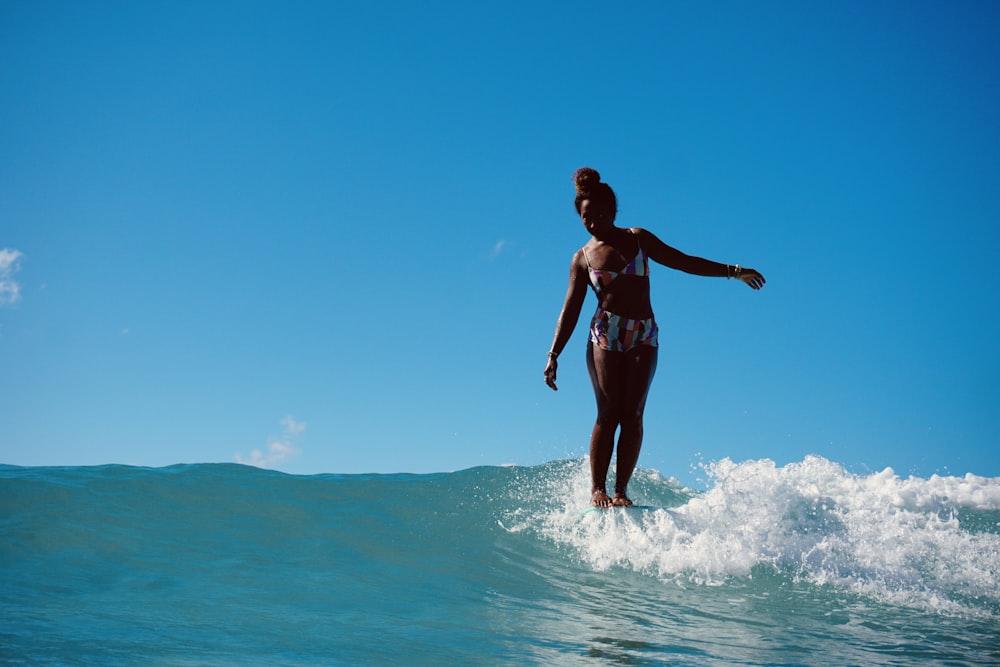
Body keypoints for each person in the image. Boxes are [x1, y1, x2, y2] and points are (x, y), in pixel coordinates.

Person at [544, 167, 765, 508]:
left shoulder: (638, 239)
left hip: (644, 333)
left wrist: (732, 271)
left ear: (612, 210)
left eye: (598, 214)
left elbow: (683, 261)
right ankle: (597, 490)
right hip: (606, 333)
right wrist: (554, 353)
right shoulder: (582, 259)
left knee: (632, 413)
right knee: (608, 412)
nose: (592, 222)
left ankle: (620, 492)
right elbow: (570, 309)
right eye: (585, 218)